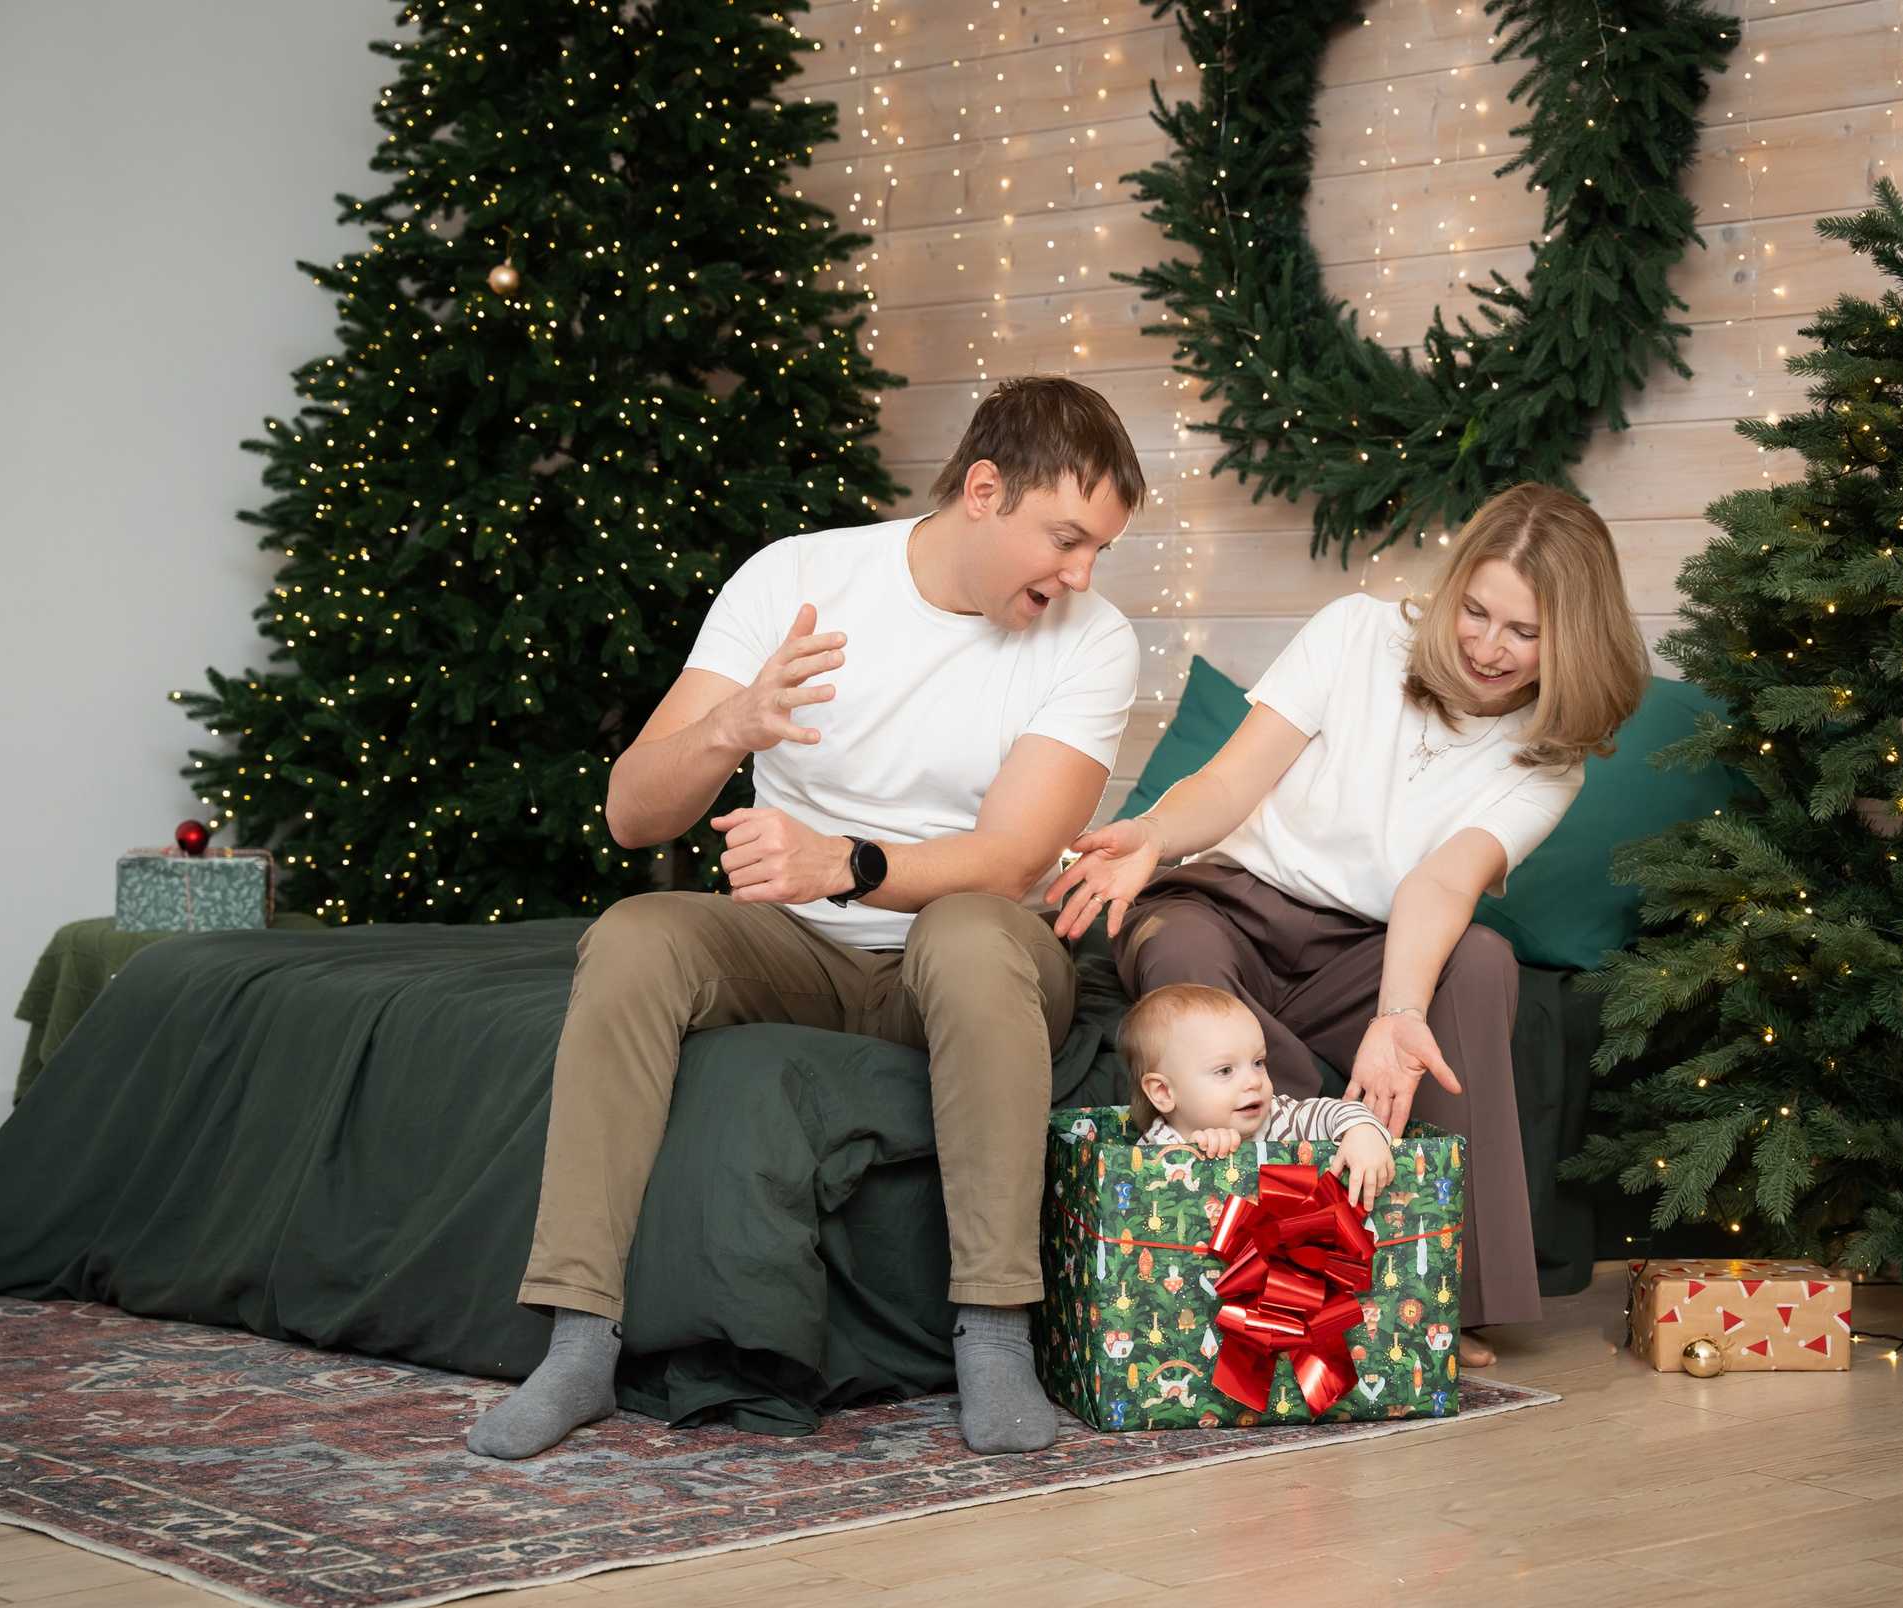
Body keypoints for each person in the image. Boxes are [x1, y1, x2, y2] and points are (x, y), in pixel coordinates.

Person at [469, 377, 1144, 1460]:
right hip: (798, 946)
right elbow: (632, 811)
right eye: (1065, 540)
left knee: (969, 932)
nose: (1079, 574)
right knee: (637, 938)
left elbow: (1016, 856)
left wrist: (847, 862)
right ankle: (579, 1340)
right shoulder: (799, 578)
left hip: (967, 948)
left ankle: (996, 1334)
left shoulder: (1091, 640)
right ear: (983, 490)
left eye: (1098, 551)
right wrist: (730, 723)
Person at [1046, 482, 1649, 1365]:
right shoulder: (1355, 634)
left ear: (1572, 639)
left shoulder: (1549, 761)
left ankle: (1437, 1288)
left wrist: (1398, 1015)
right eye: (1477, 611)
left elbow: (1443, 882)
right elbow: (1228, 783)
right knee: (1176, 947)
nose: (1487, 646)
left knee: (1480, 959)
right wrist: (1150, 832)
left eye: (1524, 631)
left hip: (1368, 947)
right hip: (1232, 900)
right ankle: (1286, 1251)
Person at [1119, 982, 1395, 1209]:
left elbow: (1333, 1111)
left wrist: (1362, 1130)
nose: (1253, 1081)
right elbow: (1147, 1204)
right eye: (1225, 1070)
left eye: (1258, 1062)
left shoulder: (1280, 1116)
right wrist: (1193, 1154)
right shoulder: (1157, 1147)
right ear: (1163, 1092)